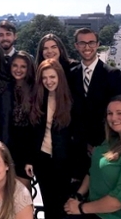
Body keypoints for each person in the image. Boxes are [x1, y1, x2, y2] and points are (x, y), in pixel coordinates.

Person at [25, 59, 83, 219]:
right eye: (44, 78)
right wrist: (31, 159)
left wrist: (77, 170)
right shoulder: (39, 98)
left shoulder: (72, 100)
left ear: (60, 77)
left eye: (52, 77)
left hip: (64, 162)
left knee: (63, 207)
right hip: (43, 160)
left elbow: (78, 138)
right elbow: (34, 132)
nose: (48, 81)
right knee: (48, 204)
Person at [64, 95, 121, 219]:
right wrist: (79, 195)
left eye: (120, 113)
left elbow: (118, 201)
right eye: (110, 113)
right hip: (92, 209)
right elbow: (93, 171)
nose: (113, 117)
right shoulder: (110, 141)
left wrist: (80, 208)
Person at [70, 28, 121, 169]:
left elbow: (118, 112)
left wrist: (105, 145)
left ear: (98, 44)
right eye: (82, 43)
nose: (87, 47)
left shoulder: (112, 74)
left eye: (91, 43)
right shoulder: (71, 74)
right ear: (76, 45)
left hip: (105, 147)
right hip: (77, 149)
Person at [8, 51, 36, 190]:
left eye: (23, 66)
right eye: (15, 65)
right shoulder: (5, 87)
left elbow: (35, 127)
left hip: (25, 149)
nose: (18, 70)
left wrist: (29, 159)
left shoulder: (34, 90)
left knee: (23, 197)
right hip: (6, 145)